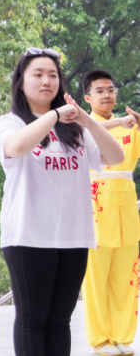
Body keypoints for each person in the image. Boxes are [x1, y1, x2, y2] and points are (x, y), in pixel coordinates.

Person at [0, 48, 125, 356]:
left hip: (73, 236)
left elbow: (115, 156)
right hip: (28, 235)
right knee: (32, 319)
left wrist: (86, 120)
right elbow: (15, 147)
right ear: (21, 82)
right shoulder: (11, 122)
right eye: (38, 74)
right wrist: (53, 115)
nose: (46, 81)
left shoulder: (74, 128)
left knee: (59, 322)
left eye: (53, 75)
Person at [79, 70, 140, 356]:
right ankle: (101, 340)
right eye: (100, 91)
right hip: (95, 210)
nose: (107, 95)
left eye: (111, 90)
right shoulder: (82, 127)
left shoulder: (131, 126)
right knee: (95, 280)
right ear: (87, 98)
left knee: (126, 277)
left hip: (126, 210)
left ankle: (122, 336)